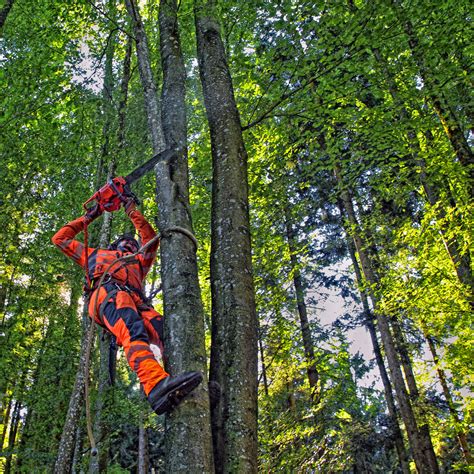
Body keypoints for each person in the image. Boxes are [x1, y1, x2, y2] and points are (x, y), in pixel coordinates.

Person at [52, 198, 202, 415]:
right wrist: (91, 216)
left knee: (166, 330)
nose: (131, 244)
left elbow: (149, 238)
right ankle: (154, 384)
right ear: (115, 245)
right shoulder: (95, 256)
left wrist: (132, 211)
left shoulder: (138, 262)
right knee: (133, 331)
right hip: (108, 294)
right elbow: (60, 239)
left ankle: (193, 389)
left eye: (133, 243)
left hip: (137, 302)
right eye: (125, 242)